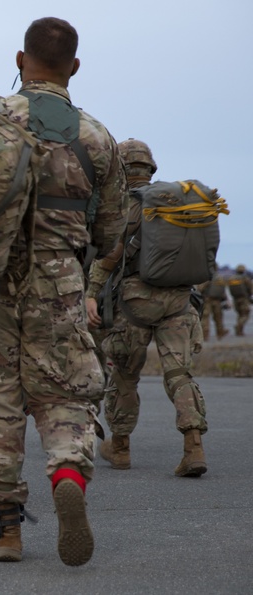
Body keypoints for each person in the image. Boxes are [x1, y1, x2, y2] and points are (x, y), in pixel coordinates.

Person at [0, 18, 127, 565]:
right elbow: (111, 234)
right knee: (65, 393)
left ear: (20, 60)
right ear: (76, 67)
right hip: (61, 282)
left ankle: (7, 533)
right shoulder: (98, 139)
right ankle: (67, 472)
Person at [87, 139, 210, 481]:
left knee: (124, 376)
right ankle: (193, 447)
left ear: (121, 170)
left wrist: (91, 293)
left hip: (135, 304)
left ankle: (121, 447)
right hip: (179, 302)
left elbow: (109, 257)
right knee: (179, 375)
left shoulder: (125, 205)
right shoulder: (175, 204)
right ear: (151, 169)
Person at [200, 267, 231, 340]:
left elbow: (201, 289)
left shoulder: (207, 278)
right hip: (218, 301)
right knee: (218, 318)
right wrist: (226, 300)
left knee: (205, 318)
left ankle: (205, 335)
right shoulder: (220, 278)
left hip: (207, 301)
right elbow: (223, 291)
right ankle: (220, 333)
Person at [227, 264, 252, 336]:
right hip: (244, 299)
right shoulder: (245, 278)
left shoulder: (232, 278)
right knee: (246, 315)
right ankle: (238, 326)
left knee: (240, 314)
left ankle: (239, 332)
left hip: (235, 299)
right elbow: (250, 289)